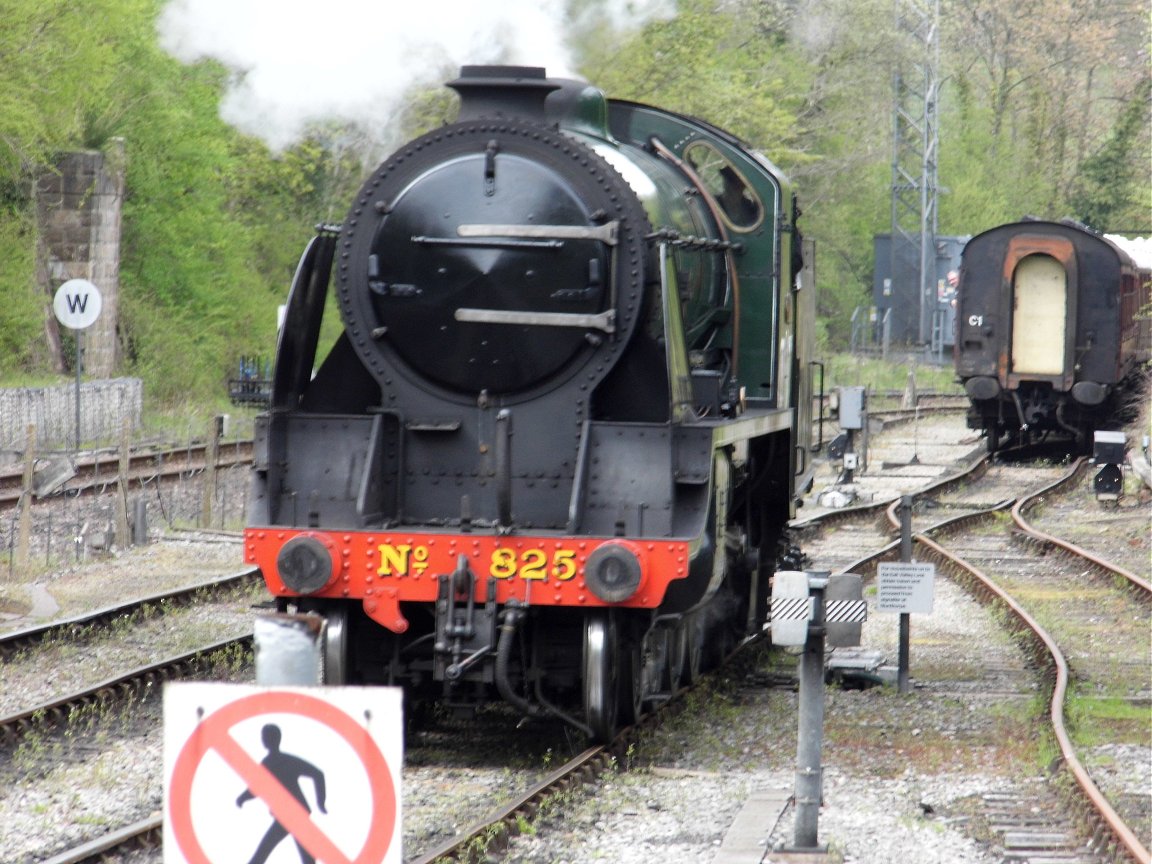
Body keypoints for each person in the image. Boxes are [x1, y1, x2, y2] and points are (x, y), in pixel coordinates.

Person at [236, 723, 328, 864]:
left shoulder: (271, 762)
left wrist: (321, 802)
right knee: (304, 857)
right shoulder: (281, 760)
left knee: (265, 850)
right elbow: (257, 787)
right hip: (291, 814)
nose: (263, 739)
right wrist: (320, 802)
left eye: (264, 736)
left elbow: (256, 788)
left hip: (292, 815)